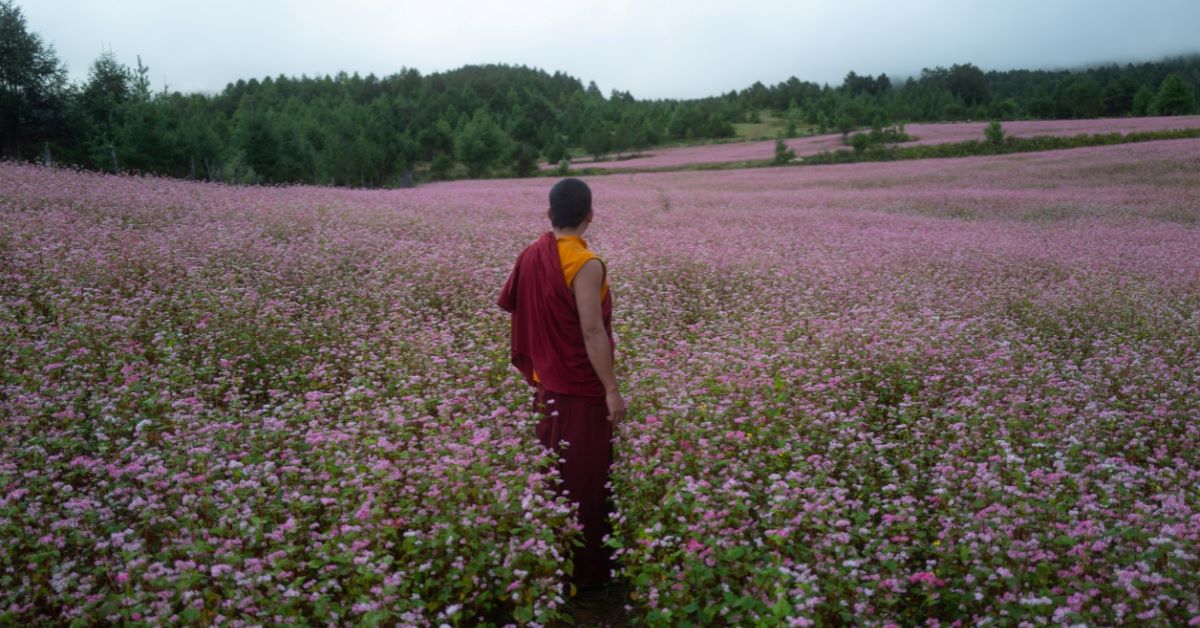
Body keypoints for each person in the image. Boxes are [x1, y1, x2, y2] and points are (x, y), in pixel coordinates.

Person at [497, 177, 625, 590]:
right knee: (584, 479)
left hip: (548, 384)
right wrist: (611, 388)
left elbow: (514, 304)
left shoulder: (531, 254)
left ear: (550, 214)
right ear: (590, 216)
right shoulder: (585, 263)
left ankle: (549, 562)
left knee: (555, 472)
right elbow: (592, 332)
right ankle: (586, 578)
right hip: (581, 390)